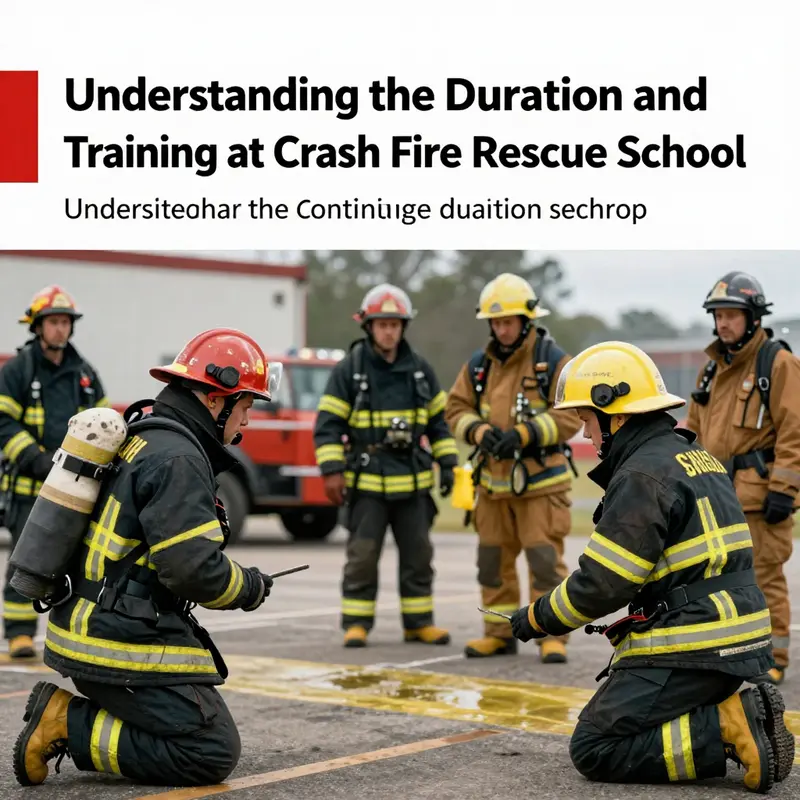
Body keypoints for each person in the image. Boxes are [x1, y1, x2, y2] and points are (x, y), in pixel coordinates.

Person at [509, 340, 794, 794]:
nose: (584, 434)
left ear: (614, 412)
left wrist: (537, 617)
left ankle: (728, 723)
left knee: (596, 745)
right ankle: (733, 712)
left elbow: (604, 583)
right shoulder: (695, 456)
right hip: (737, 640)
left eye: (585, 419)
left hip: (697, 643)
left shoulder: (642, 475)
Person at [12, 328, 280, 788]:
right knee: (209, 750)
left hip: (88, 624)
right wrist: (249, 587)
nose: (248, 421)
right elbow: (193, 571)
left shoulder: (147, 436)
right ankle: (64, 721)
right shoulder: (178, 459)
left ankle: (69, 718)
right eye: (246, 407)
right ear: (216, 399)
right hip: (112, 640)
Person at [444, 273, 581, 662]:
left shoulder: (553, 361)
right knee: (492, 564)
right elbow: (454, 409)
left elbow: (573, 414)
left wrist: (526, 434)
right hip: (492, 487)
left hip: (541, 487)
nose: (502, 329)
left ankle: (551, 636)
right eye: (496, 322)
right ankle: (498, 632)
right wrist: (479, 432)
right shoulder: (478, 365)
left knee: (544, 567)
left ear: (527, 320)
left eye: (509, 321)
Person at [313, 284, 459, 648]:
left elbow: (438, 422)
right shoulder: (351, 370)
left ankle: (419, 623)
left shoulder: (420, 370)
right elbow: (328, 425)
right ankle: (356, 623)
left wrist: (448, 461)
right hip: (367, 486)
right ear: (368, 326)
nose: (389, 331)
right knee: (361, 558)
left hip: (412, 484)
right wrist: (332, 472)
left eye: (395, 324)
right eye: (382, 324)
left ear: (403, 327)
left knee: (419, 558)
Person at [684, 272, 800, 686]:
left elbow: (795, 432)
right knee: (716, 580)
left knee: (765, 578)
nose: (723, 324)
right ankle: (731, 653)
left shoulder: (778, 363)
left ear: (753, 317)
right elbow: (692, 432)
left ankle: (775, 658)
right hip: (714, 499)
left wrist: (784, 490)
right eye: (718, 316)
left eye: (732, 314)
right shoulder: (711, 370)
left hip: (758, 498)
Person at [0, 285, 109, 660]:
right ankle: (18, 633)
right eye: (53, 323)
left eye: (65, 322)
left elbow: (106, 420)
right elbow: (2, 422)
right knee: (26, 559)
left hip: (77, 489)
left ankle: (70, 632)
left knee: (74, 562)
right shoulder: (17, 371)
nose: (60, 329)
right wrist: (36, 458)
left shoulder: (85, 373)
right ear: (37, 327)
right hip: (30, 485)